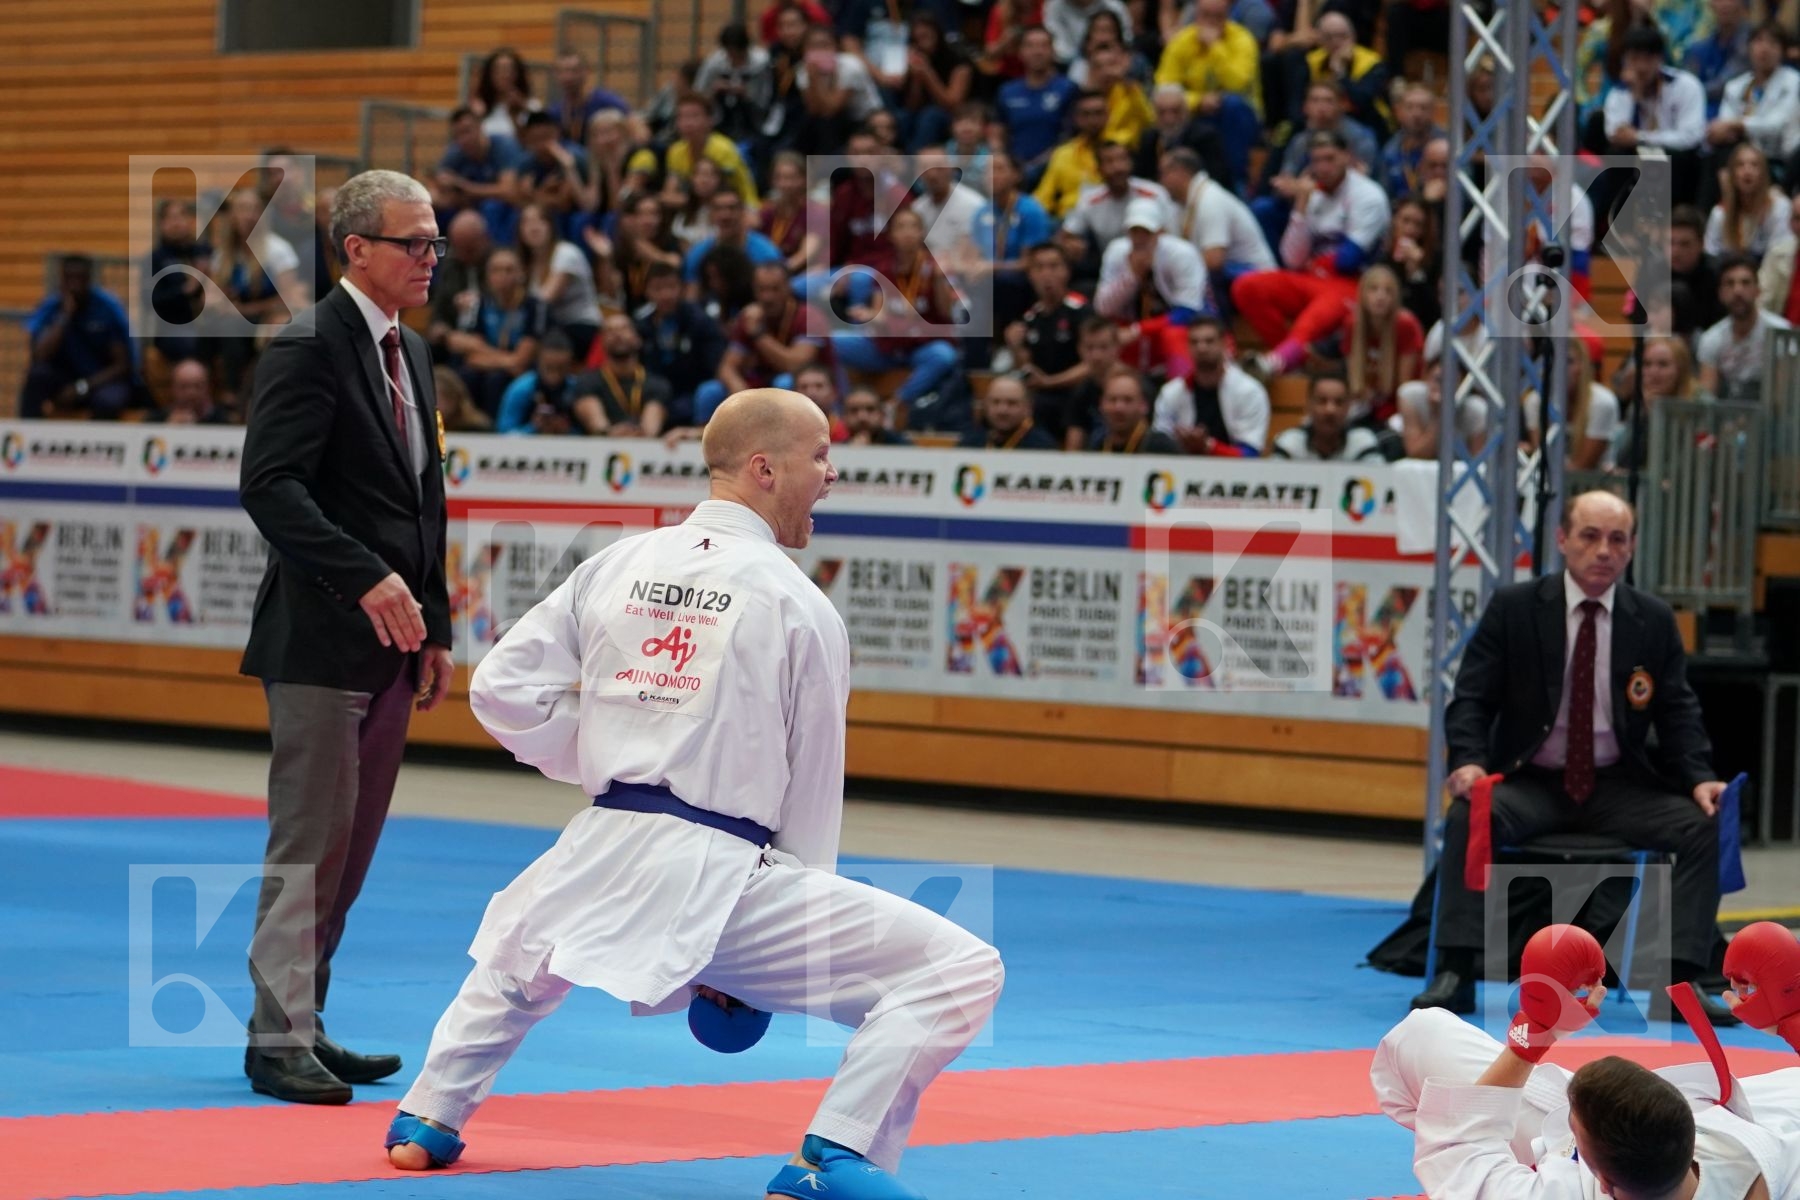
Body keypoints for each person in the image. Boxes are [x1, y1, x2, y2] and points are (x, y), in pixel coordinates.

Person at [383, 388, 1004, 1200]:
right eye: (819, 456)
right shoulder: (801, 607)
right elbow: (812, 790)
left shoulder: (618, 563)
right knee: (962, 969)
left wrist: (613, 754)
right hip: (721, 870)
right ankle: (833, 1158)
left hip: (604, 834)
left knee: (522, 956)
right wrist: (751, 962)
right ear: (764, 468)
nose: (831, 473)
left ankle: (426, 1118)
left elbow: (501, 690)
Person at [237, 169, 454, 1104]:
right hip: (323, 638)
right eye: (414, 242)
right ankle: (274, 1035)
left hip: (395, 645)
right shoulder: (308, 345)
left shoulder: (413, 353)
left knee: (351, 848)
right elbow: (271, 487)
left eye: (436, 242)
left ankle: (307, 1024)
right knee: (309, 842)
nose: (431, 258)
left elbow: (423, 501)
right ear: (355, 248)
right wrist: (367, 578)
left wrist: (434, 623)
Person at [1412, 490, 1737, 1026]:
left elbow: (1678, 710)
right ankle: (1455, 970)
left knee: (1706, 822)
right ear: (1562, 540)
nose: (1603, 550)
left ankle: (1681, 979)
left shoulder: (1651, 620)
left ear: (1631, 550)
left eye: (1617, 539)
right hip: (1533, 781)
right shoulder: (1515, 608)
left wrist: (1701, 778)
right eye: (1590, 536)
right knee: (1473, 812)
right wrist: (1468, 761)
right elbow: (1471, 697)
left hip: (1618, 785)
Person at [1373, 922, 1800, 1200]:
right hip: (1736, 1127)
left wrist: (1535, 1034)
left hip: (1546, 1155)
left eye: (1576, 1126)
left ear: (1605, 1184)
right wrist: (1789, 1019)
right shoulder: (1766, 1160)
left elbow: (1462, 1143)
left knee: (1422, 1035)